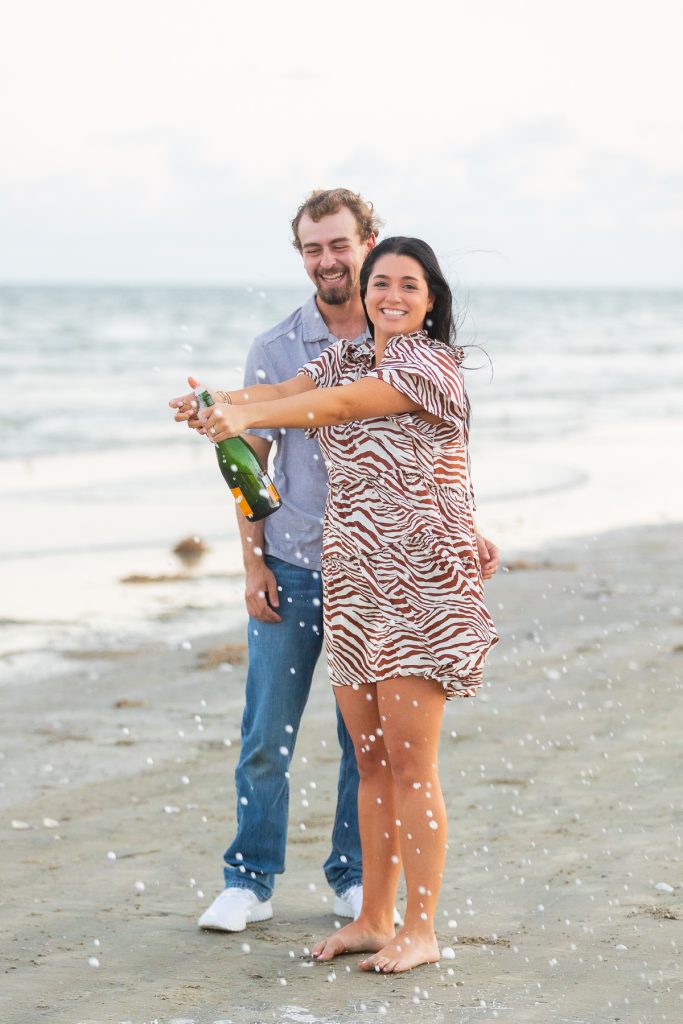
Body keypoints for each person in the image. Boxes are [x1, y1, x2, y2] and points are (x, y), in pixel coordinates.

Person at [182, 235, 499, 972]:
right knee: (371, 757)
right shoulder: (349, 355)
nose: (390, 296)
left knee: (413, 764)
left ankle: (419, 929)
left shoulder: (430, 366)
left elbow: (337, 407)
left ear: (429, 302)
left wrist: (239, 414)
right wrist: (215, 403)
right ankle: (373, 917)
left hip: (419, 583)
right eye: (379, 282)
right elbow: (286, 394)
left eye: (407, 286)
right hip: (352, 576)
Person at [170, 190, 380, 932]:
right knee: (266, 734)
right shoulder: (276, 344)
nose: (325, 260)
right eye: (311, 248)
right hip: (291, 564)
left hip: (374, 572)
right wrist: (253, 566)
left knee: (365, 741)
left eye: (337, 244)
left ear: (367, 242)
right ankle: (249, 880)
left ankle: (353, 878)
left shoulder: (401, 337)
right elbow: (246, 467)